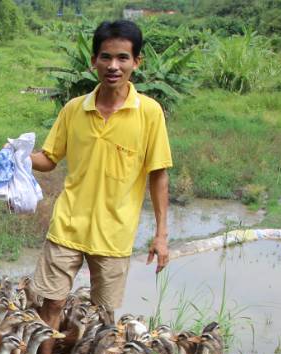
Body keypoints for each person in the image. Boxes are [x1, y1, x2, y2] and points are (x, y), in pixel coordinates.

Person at [29, 19, 172, 327]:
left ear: (136, 62)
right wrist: (15, 159)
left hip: (115, 233)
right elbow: (49, 158)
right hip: (68, 225)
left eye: (123, 58)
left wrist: (161, 235)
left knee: (104, 315)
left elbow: (158, 174)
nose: (113, 65)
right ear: (93, 61)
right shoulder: (74, 109)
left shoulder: (149, 113)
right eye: (106, 57)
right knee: (51, 304)